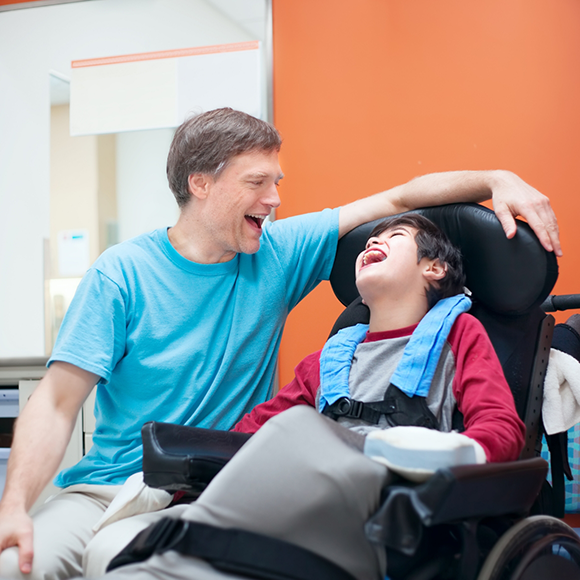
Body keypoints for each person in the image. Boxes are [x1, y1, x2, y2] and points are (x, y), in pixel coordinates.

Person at [0, 107, 557, 580]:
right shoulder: (122, 274)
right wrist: (15, 505)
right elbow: (54, 403)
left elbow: (402, 196)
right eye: (258, 183)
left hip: (228, 484)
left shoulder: (282, 252)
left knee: (119, 557)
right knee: (17, 563)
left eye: (278, 183)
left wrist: (495, 179)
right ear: (201, 183)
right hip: (115, 485)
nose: (275, 200)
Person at [94, 213, 526, 580]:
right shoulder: (328, 360)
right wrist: (180, 480)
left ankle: (181, 545)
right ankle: (174, 538)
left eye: (395, 238)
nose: (375, 239)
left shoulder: (459, 335)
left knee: (299, 428)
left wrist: (422, 454)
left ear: (434, 269)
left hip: (389, 518)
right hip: (298, 510)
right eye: (372, 238)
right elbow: (252, 433)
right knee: (115, 554)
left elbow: (502, 431)